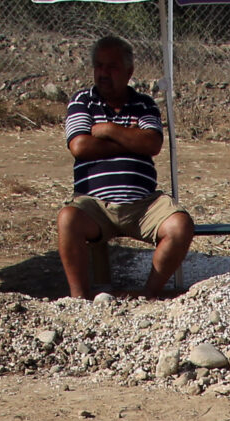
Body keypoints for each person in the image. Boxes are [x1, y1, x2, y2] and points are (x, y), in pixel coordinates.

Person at [55, 35, 195, 299]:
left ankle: (148, 295)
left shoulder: (144, 104)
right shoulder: (82, 101)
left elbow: (153, 143)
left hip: (143, 204)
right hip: (94, 204)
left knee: (181, 226)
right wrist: (129, 139)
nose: (103, 73)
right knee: (67, 219)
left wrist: (107, 130)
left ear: (129, 72)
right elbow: (80, 146)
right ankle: (79, 300)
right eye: (99, 66)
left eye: (112, 67)